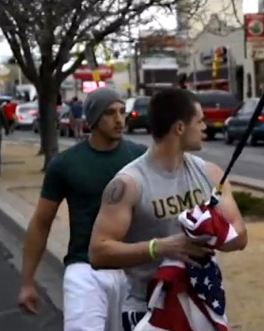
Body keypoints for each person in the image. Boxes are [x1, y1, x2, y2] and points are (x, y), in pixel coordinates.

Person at [88, 88, 248, 331]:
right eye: (200, 121)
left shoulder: (210, 174)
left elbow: (240, 236)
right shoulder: (129, 183)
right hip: (148, 311)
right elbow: (98, 253)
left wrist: (215, 233)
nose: (206, 126)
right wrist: (161, 247)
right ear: (180, 128)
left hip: (202, 308)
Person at [17, 88, 147, 331]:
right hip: (85, 269)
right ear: (93, 118)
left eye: (122, 111)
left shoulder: (141, 158)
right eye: (109, 113)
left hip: (134, 269)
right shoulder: (65, 164)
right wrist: (27, 282)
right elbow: (41, 222)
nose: (119, 119)